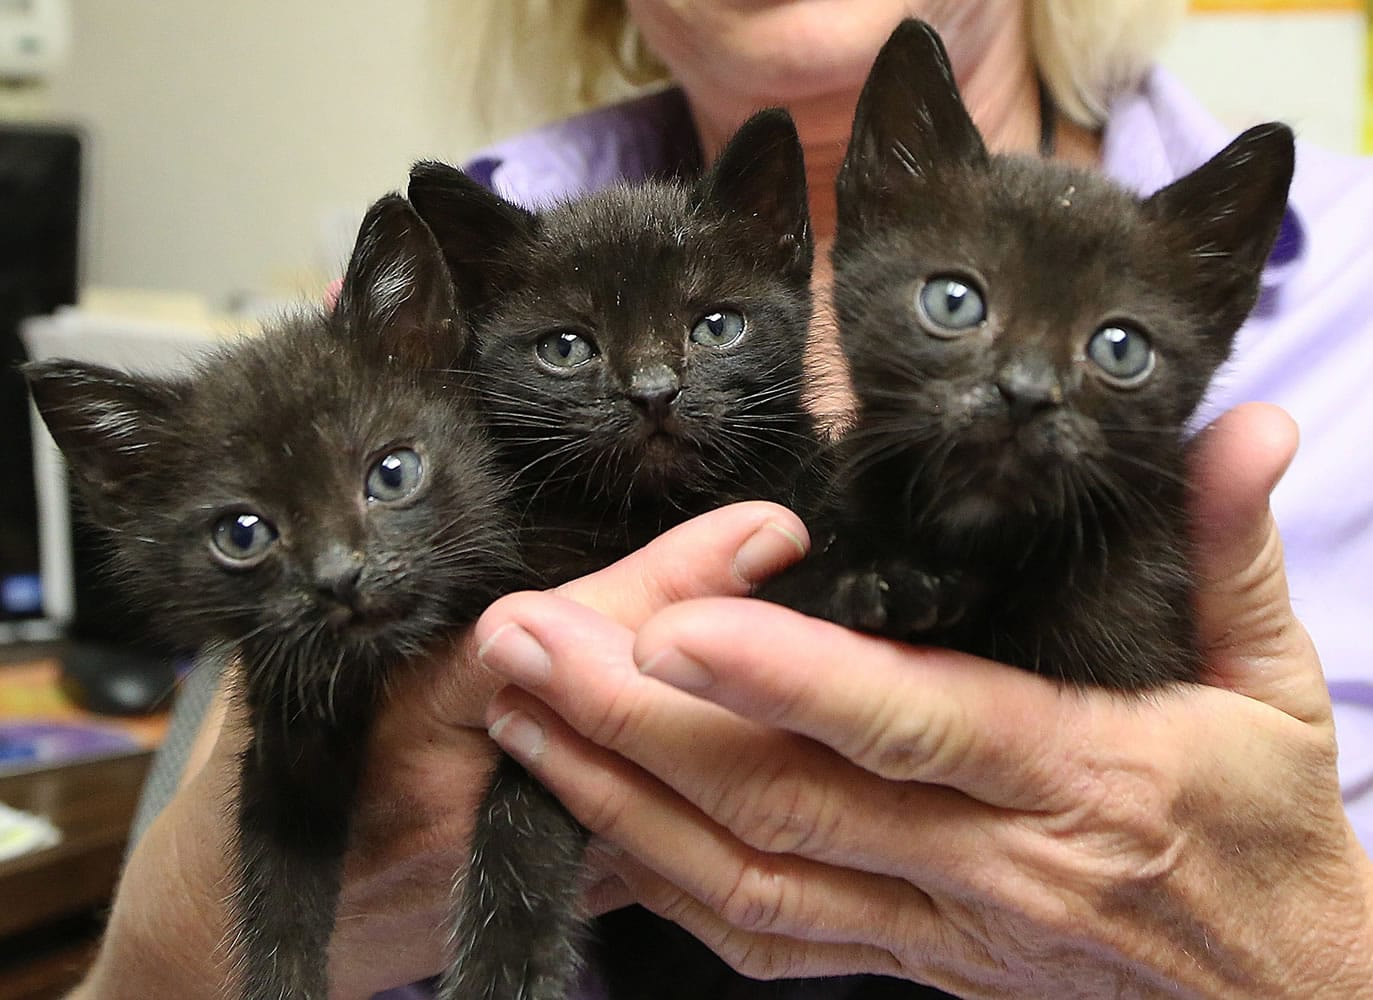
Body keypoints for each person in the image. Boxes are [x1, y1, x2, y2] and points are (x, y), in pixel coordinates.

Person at [71, 2, 1373, 998]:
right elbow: (166, 930)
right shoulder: (426, 289)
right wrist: (223, 922)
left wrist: (1307, 944)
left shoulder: (1347, 292)